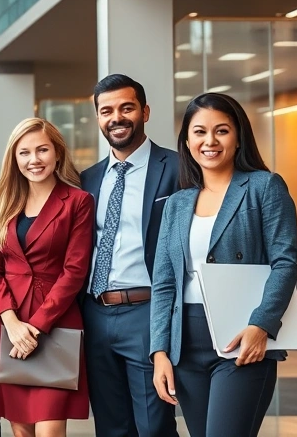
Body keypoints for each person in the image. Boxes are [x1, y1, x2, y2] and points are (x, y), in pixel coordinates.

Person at [150, 93, 297, 437]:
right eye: (199, 132)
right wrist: (159, 351)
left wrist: (261, 325)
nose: (210, 141)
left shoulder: (265, 186)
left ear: (238, 137)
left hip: (243, 337)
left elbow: (285, 262)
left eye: (222, 131)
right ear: (186, 141)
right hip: (184, 344)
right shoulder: (177, 202)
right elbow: (165, 282)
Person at [79, 74, 179, 437]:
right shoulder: (87, 179)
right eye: (106, 110)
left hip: (147, 311)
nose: (116, 118)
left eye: (126, 108)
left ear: (145, 112)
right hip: (95, 312)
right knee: (111, 426)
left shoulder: (178, 169)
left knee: (154, 426)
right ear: (98, 117)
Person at [0, 117, 92, 436]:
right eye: (24, 153)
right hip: (9, 324)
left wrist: (36, 326)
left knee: (49, 429)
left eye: (42, 150)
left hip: (55, 324)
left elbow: (74, 271)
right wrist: (11, 322)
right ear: (14, 159)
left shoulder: (77, 202)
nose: (34, 160)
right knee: (20, 430)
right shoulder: (4, 204)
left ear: (57, 153)